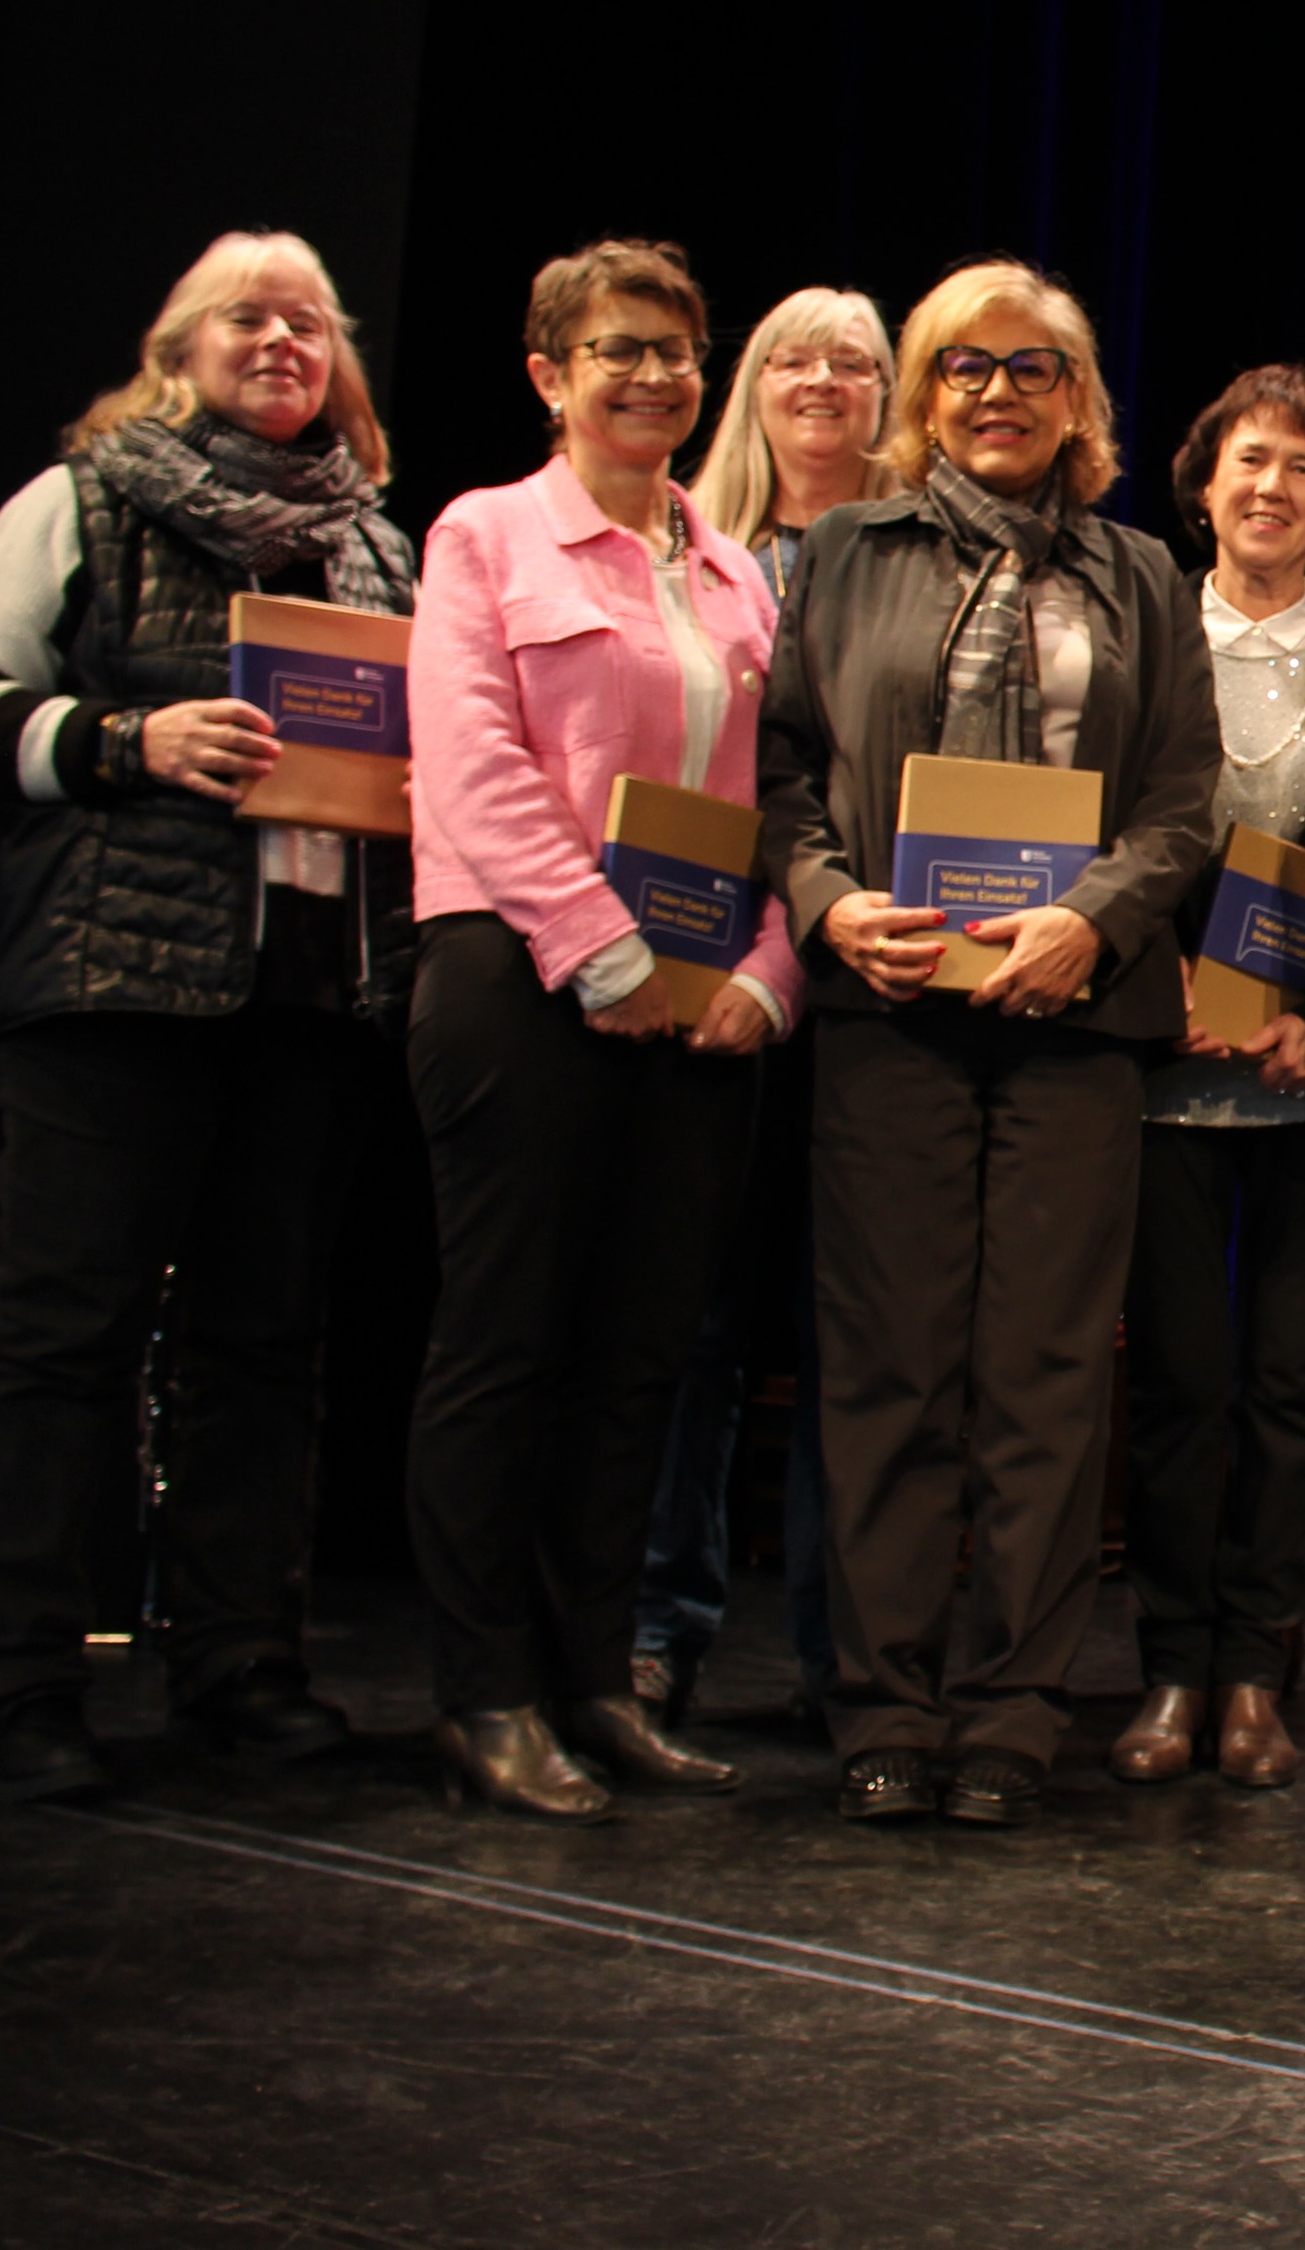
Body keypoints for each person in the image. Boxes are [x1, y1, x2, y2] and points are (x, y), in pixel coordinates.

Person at [0, 230, 416, 1800]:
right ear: (180, 348)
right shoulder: (80, 502)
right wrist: (128, 741)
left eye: (309, 324)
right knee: (64, 1340)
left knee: (263, 1345)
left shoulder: (376, 548)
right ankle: (15, 1683)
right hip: (115, 975)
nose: (283, 343)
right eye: (248, 320)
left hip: (310, 991)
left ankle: (241, 1664)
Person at [757, 256, 1223, 1828]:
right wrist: (826, 905)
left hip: (1076, 1013)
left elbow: (1180, 799)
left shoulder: (1143, 573)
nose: (1001, 394)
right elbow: (783, 775)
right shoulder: (837, 553)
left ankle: (1014, 1709)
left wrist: (1091, 919)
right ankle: (885, 1704)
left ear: (1080, 400)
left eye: (1036, 368)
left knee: (1041, 1378)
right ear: (924, 395)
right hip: (887, 1007)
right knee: (889, 1369)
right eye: (968, 367)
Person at [404, 238, 795, 1818]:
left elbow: (771, 803)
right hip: (518, 977)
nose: (653, 377)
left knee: (641, 1358)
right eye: (618, 351)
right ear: (548, 374)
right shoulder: (487, 534)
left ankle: (591, 1677)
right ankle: (481, 1693)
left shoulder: (734, 568)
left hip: (698, 1007)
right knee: (507, 1345)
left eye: (678, 352)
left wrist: (768, 968)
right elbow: (475, 766)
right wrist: (602, 950)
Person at [1112, 366, 1305, 1792]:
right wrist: (1144, 981)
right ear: (1203, 480)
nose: (1274, 487)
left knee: (1291, 1384)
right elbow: (1093, 821)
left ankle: (1254, 1675)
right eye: (1250, 462)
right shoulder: (1136, 624)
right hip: (1158, 1060)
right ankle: (1168, 1665)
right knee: (1175, 1380)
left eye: (1304, 468)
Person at [634, 285, 896, 1731]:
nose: (822, 383)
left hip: (867, 986)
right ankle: (659, 1623)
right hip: (695, 981)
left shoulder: (917, 564)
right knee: (690, 1328)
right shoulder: (688, 555)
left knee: (849, 1336)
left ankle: (833, 1647)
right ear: (751, 386)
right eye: (793, 359)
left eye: (855, 365)